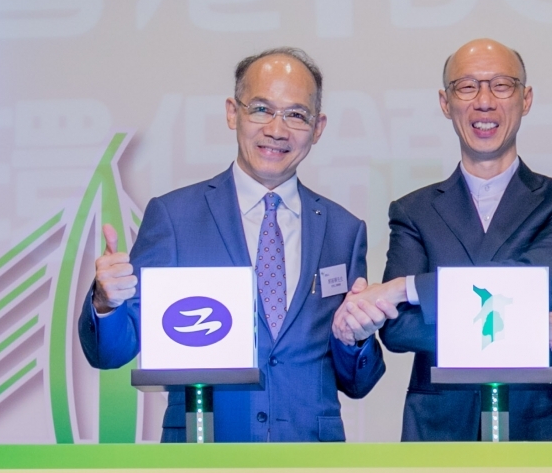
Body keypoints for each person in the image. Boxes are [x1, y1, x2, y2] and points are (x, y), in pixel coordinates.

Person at [79, 47, 383, 441]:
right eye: (261, 109)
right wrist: (106, 303)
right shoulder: (174, 217)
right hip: (204, 449)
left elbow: (357, 382)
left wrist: (356, 338)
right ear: (231, 113)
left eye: (296, 115)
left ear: (318, 127)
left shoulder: (344, 231)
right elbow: (111, 353)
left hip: (310, 456)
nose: (277, 130)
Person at [329, 39, 552, 441]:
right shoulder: (413, 210)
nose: (484, 102)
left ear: (526, 99)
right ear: (445, 102)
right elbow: (399, 329)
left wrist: (405, 288)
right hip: (440, 428)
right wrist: (529, 326)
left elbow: (532, 283)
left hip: (544, 422)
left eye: (501, 86)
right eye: (467, 87)